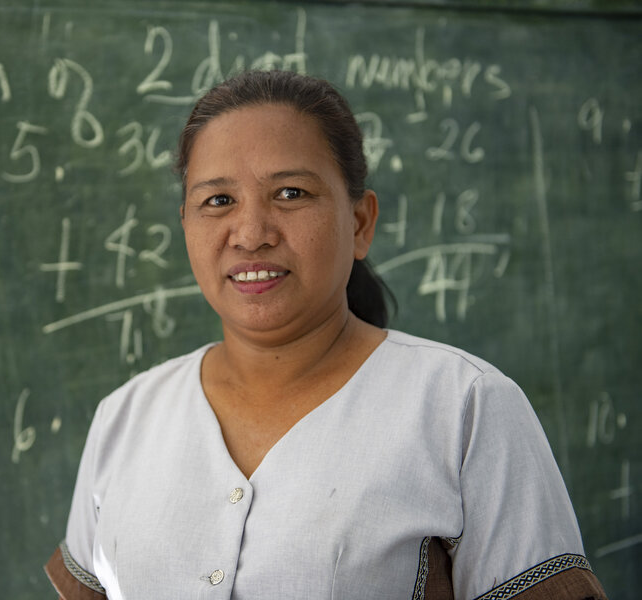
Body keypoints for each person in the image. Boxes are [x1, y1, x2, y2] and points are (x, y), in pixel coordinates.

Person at [45, 70, 607, 599]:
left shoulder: (464, 406)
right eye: (218, 200)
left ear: (360, 223)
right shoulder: (126, 417)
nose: (251, 234)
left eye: (291, 193)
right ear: (187, 227)